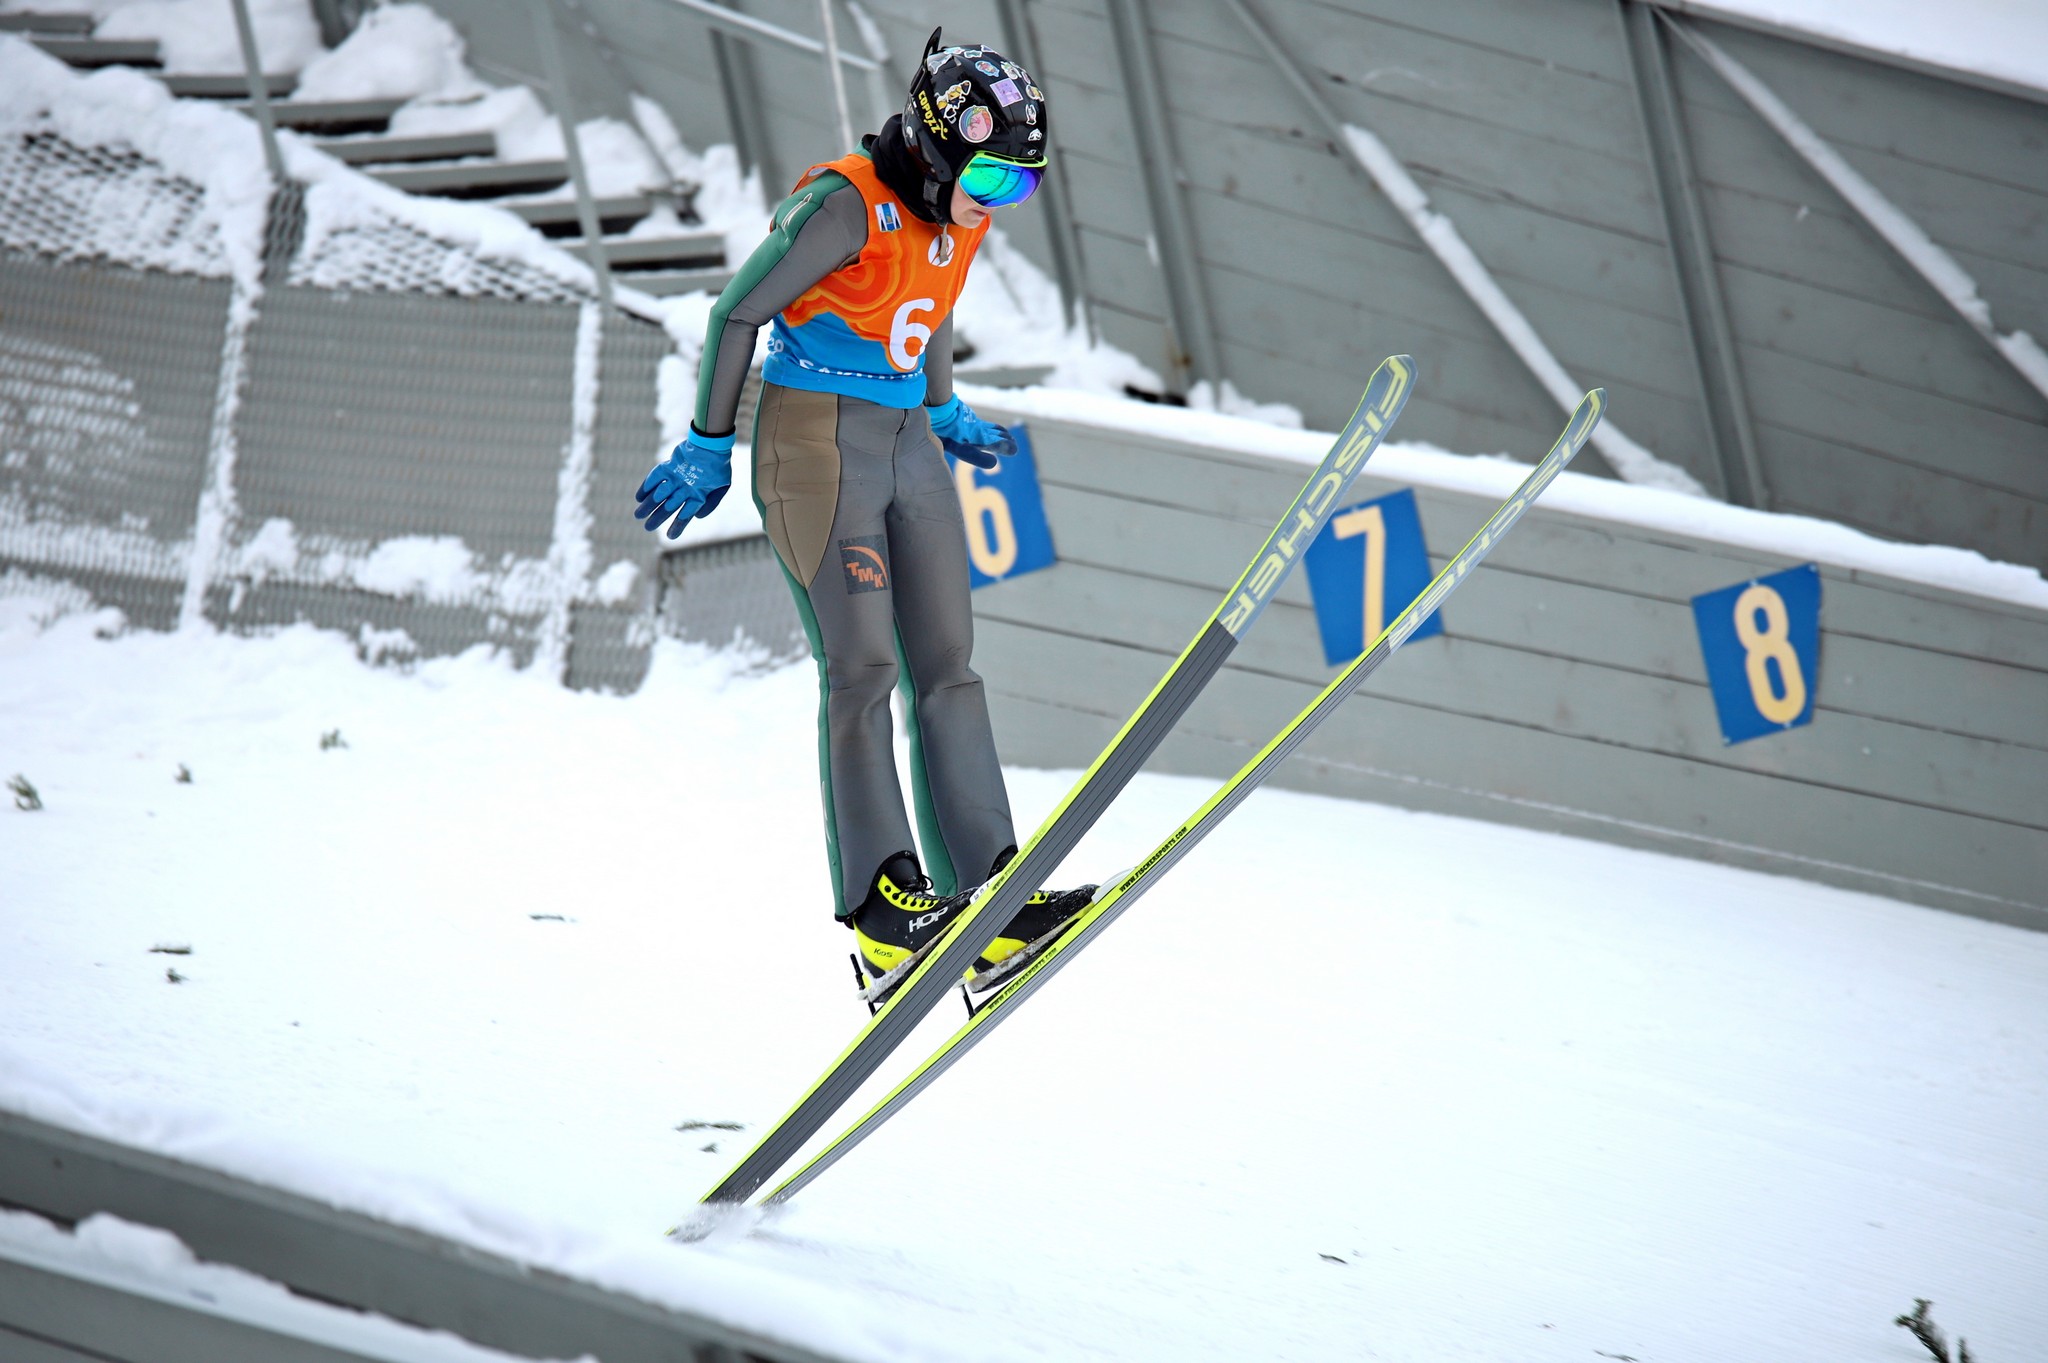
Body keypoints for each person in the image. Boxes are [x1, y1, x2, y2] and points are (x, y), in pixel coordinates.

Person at [634, 29, 1091, 999]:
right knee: (861, 668)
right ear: (933, 143)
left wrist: (942, 404)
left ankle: (992, 897)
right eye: (995, 179)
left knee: (948, 670)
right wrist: (709, 439)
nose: (1000, 202)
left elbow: (928, 312)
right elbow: (736, 316)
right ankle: (884, 911)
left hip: (905, 443)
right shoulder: (845, 204)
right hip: (816, 443)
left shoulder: (956, 212)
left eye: (1023, 185)